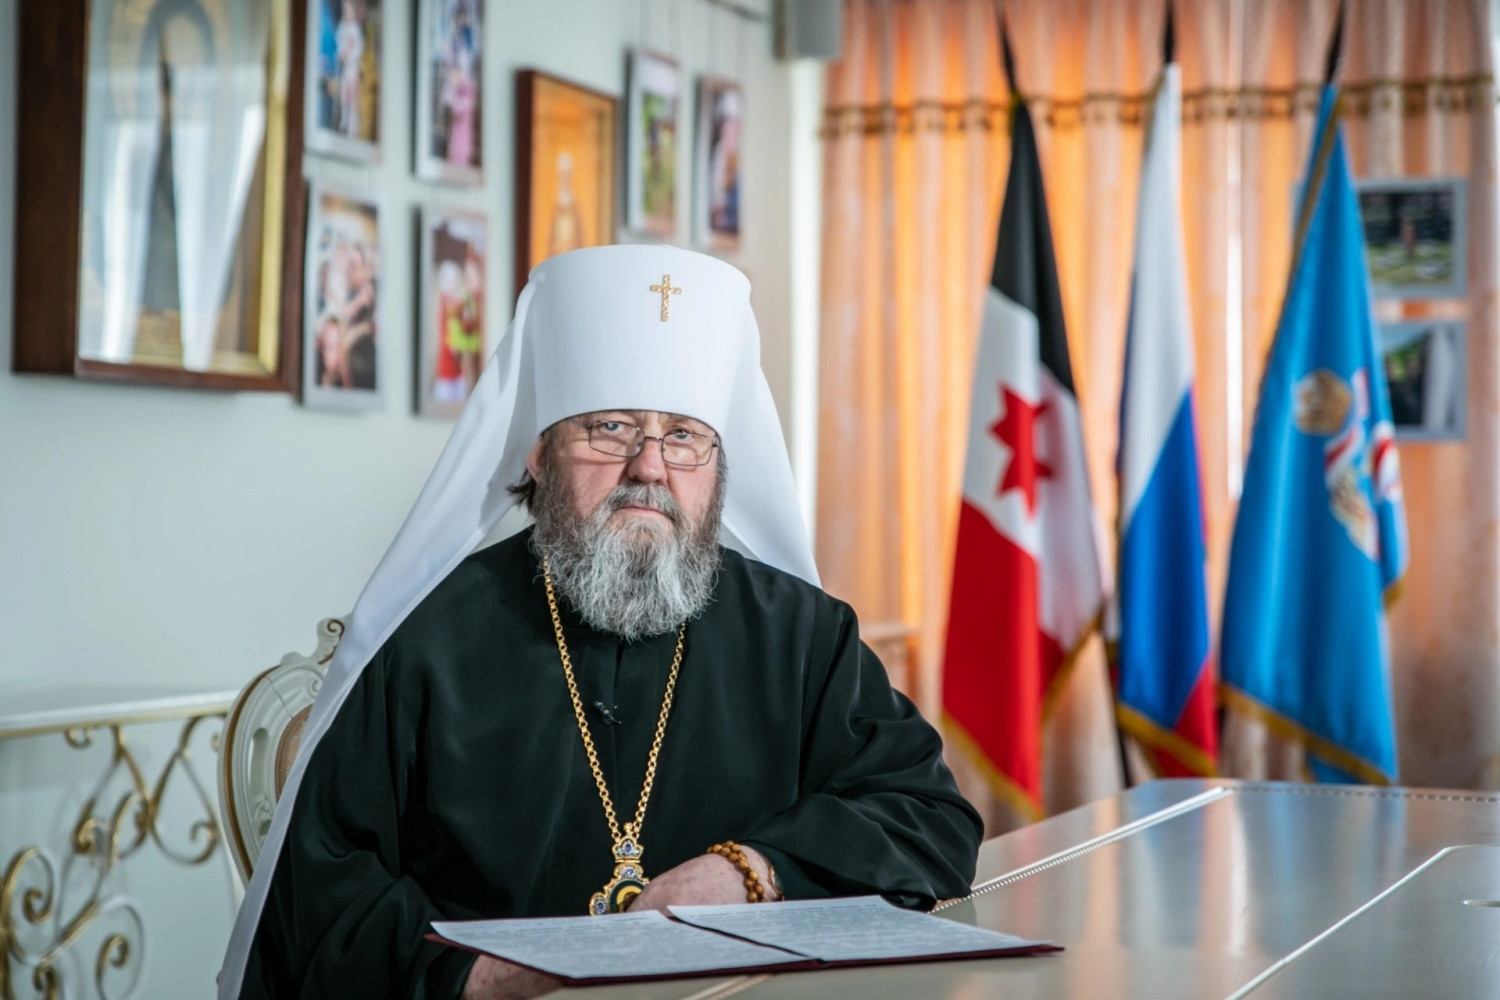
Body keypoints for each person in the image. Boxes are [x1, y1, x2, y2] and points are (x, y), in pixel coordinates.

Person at [221, 245, 982, 1000]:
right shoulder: (427, 641)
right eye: (611, 428)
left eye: (683, 436)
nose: (649, 467)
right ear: (539, 454)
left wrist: (747, 873)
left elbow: (929, 820)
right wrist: (495, 975)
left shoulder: (801, 636)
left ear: (719, 468)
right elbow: (319, 902)